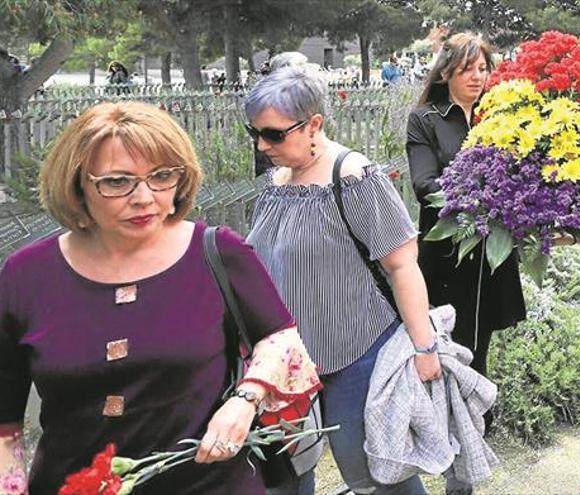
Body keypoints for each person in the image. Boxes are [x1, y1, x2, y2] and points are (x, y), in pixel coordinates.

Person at [0, 101, 321, 494]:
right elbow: (4, 422)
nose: (144, 197)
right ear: (77, 184)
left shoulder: (217, 252)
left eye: (162, 176)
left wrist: (245, 400)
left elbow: (281, 339)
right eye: (117, 182)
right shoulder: (25, 275)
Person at [244, 66, 439, 495]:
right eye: (255, 132)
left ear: (314, 123)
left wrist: (425, 349)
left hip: (358, 353)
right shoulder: (276, 182)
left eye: (274, 134)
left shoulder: (353, 177)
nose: (262, 145)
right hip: (286, 364)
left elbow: (403, 265)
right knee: (285, 480)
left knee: (377, 476)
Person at [406, 32, 526, 398]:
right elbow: (425, 185)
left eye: (482, 68)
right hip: (448, 252)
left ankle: (479, 418)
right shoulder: (425, 119)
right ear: (446, 74)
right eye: (466, 69)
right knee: (448, 342)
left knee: (481, 341)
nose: (477, 77)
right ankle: (448, 424)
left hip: (492, 253)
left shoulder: (500, 115)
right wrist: (483, 195)